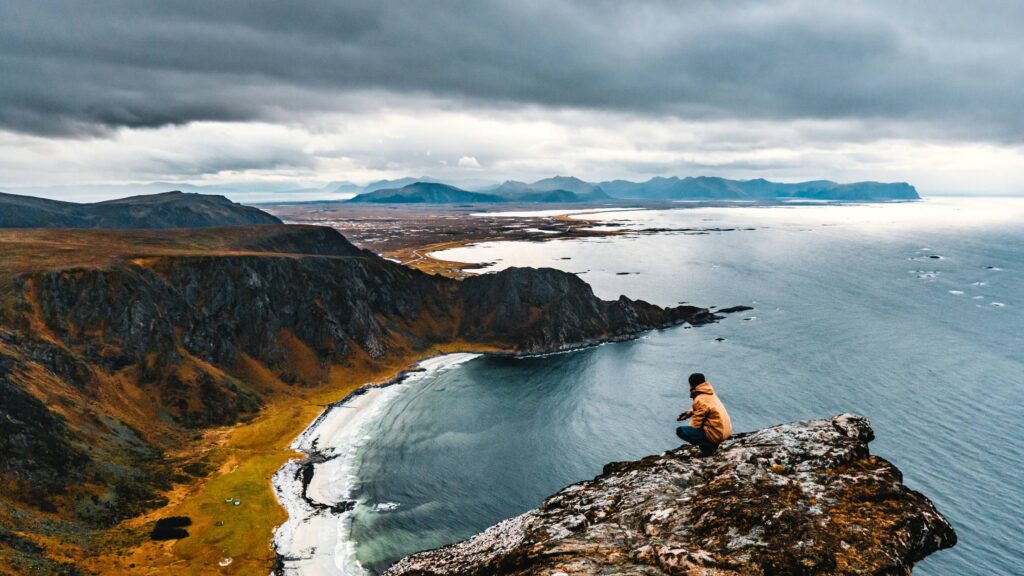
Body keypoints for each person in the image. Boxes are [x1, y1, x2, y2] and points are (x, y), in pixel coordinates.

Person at [676, 372, 732, 455]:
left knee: (681, 431)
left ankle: (708, 447)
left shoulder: (699, 399)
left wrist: (692, 430)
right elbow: (705, 407)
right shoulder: (710, 393)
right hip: (725, 432)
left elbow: (695, 425)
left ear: (691, 384)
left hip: (717, 435)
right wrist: (689, 413)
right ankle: (710, 443)